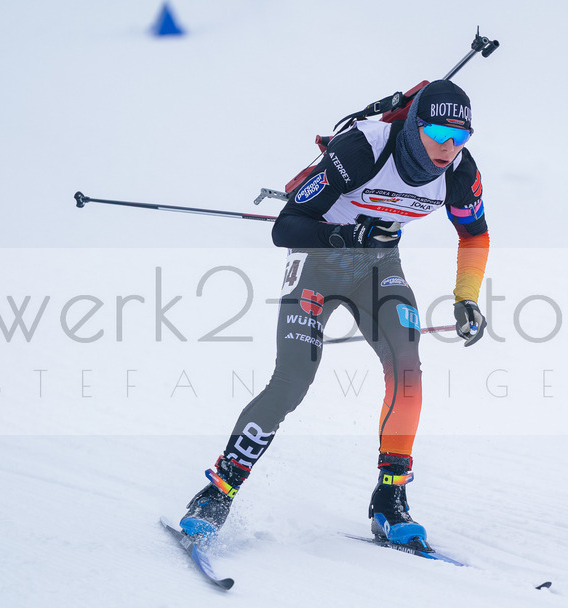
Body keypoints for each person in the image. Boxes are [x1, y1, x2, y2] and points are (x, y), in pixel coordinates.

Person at [178, 80, 489, 550]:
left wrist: (466, 296)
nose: (448, 147)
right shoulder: (365, 147)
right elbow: (287, 226)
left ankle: (390, 500)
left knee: (407, 370)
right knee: (292, 379)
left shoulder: (460, 172)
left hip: (380, 269)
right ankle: (217, 492)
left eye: (460, 137)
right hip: (317, 263)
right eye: (439, 133)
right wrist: (346, 238)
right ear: (416, 125)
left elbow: (474, 235)